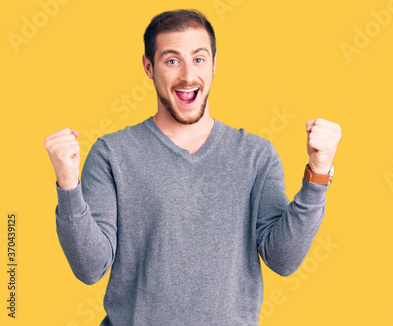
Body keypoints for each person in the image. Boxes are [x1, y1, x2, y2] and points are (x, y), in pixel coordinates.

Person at [44, 9, 341, 326]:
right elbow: (90, 268)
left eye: (199, 59)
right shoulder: (112, 153)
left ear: (214, 64)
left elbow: (282, 260)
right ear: (149, 67)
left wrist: (318, 174)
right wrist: (68, 185)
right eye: (172, 60)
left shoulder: (256, 155)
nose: (187, 74)